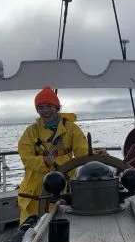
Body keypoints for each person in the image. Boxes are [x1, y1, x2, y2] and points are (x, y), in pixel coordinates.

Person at [17, 86, 106, 225]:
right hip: (36, 186)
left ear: (57, 107)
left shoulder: (71, 129)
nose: (45, 111)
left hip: (65, 180)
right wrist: (44, 161)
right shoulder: (31, 131)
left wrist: (95, 154)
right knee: (32, 224)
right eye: (41, 107)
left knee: (61, 220)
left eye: (49, 106)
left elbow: (82, 152)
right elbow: (25, 157)